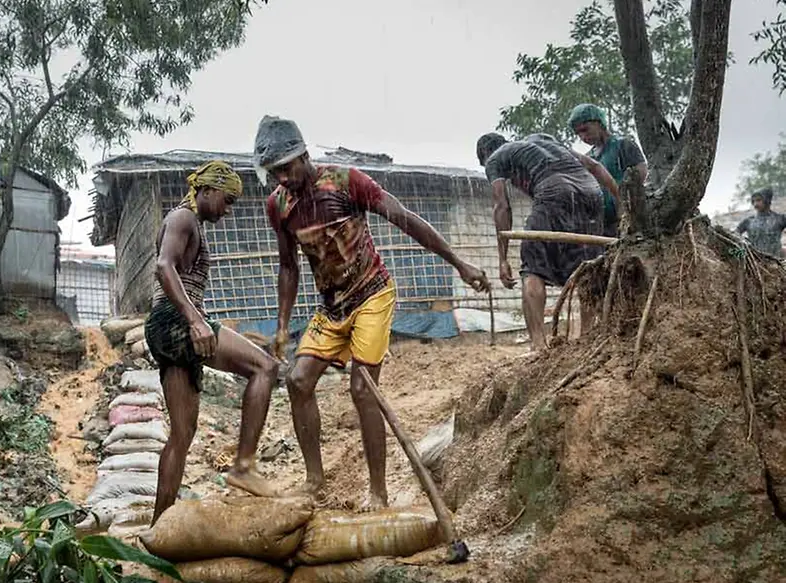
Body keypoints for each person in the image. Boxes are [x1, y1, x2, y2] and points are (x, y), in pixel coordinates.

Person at [254, 115, 490, 510]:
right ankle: (315, 481)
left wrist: (458, 263)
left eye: (286, 168)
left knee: (364, 390)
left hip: (371, 295)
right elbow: (288, 266)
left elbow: (405, 219)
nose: (282, 178)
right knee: (297, 381)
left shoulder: (347, 182)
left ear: (304, 155)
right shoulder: (278, 205)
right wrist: (281, 324)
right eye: (274, 172)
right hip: (331, 307)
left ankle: (377, 492)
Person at [145, 160, 280, 524]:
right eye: (227, 200)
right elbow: (163, 266)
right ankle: (244, 466)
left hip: (167, 327)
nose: (229, 209)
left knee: (182, 434)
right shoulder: (183, 218)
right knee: (265, 367)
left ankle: (160, 526)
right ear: (206, 191)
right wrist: (196, 320)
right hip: (176, 322)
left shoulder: (190, 223)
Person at [476, 131, 621, 351]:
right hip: (592, 193)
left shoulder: (495, 158)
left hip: (553, 190)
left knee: (532, 270)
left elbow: (502, 205)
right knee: (587, 269)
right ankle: (587, 339)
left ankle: (538, 345)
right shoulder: (544, 139)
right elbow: (594, 166)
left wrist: (503, 258)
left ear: (485, 155)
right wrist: (622, 198)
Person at [568, 103, 648, 237]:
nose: (583, 137)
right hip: (601, 224)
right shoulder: (589, 158)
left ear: (598, 123)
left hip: (626, 220)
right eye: (578, 134)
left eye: (585, 130)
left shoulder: (622, 145)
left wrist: (624, 201)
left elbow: (641, 173)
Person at [735, 187, 786, 259]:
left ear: (767, 200)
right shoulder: (748, 221)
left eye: (759, 200)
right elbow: (735, 234)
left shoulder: (780, 219)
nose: (755, 204)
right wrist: (743, 243)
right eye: (753, 201)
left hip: (776, 263)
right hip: (756, 264)